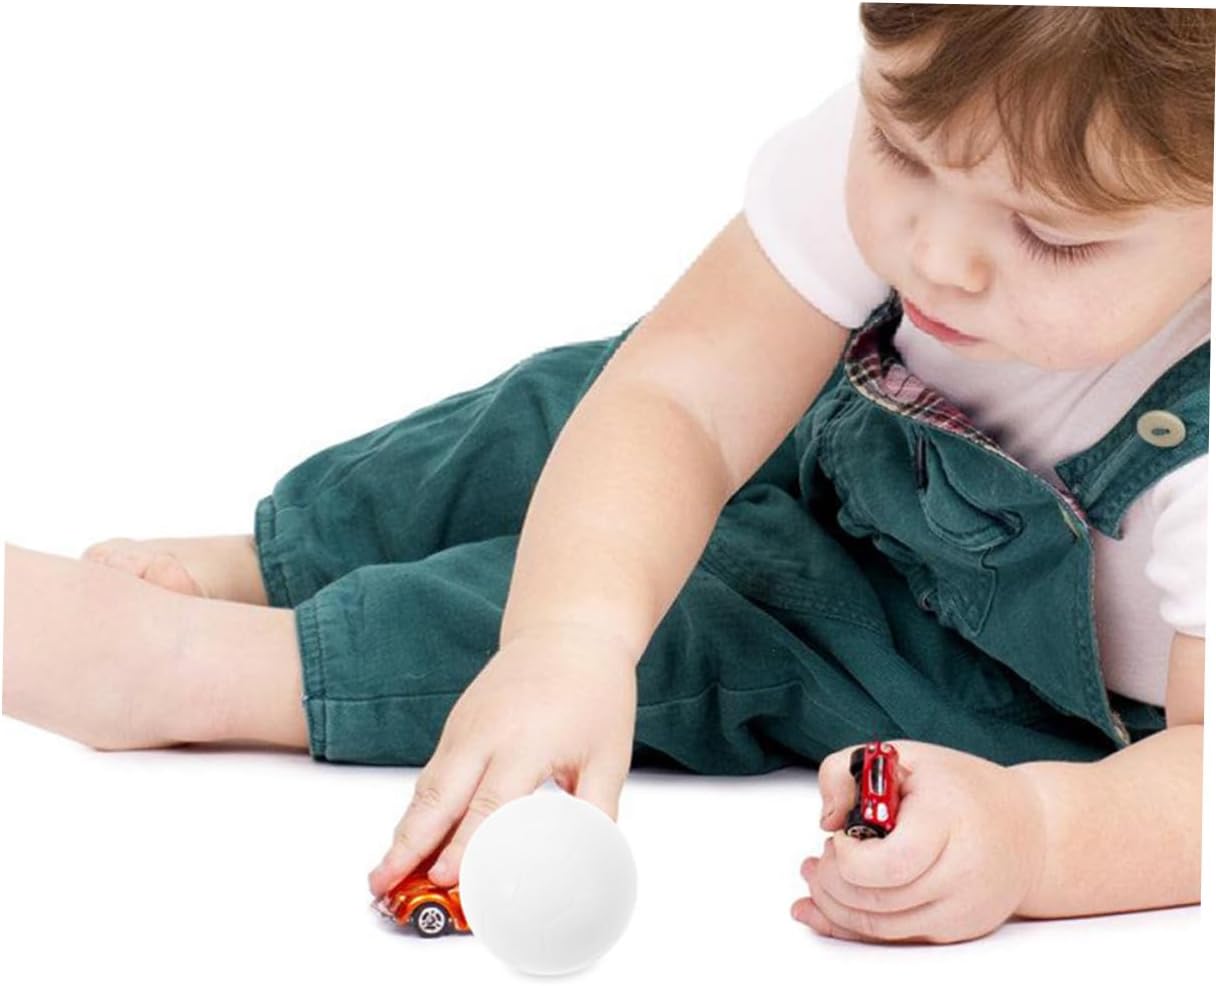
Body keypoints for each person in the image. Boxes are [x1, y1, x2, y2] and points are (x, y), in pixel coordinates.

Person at [3, 4, 1209, 945]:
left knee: (716, 624)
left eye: (1051, 234)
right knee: (579, 405)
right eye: (895, 145)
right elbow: (677, 398)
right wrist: (568, 635)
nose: (937, 255)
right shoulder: (962, 130)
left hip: (972, 659)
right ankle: (274, 558)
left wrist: (1036, 834)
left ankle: (204, 669)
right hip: (851, 436)